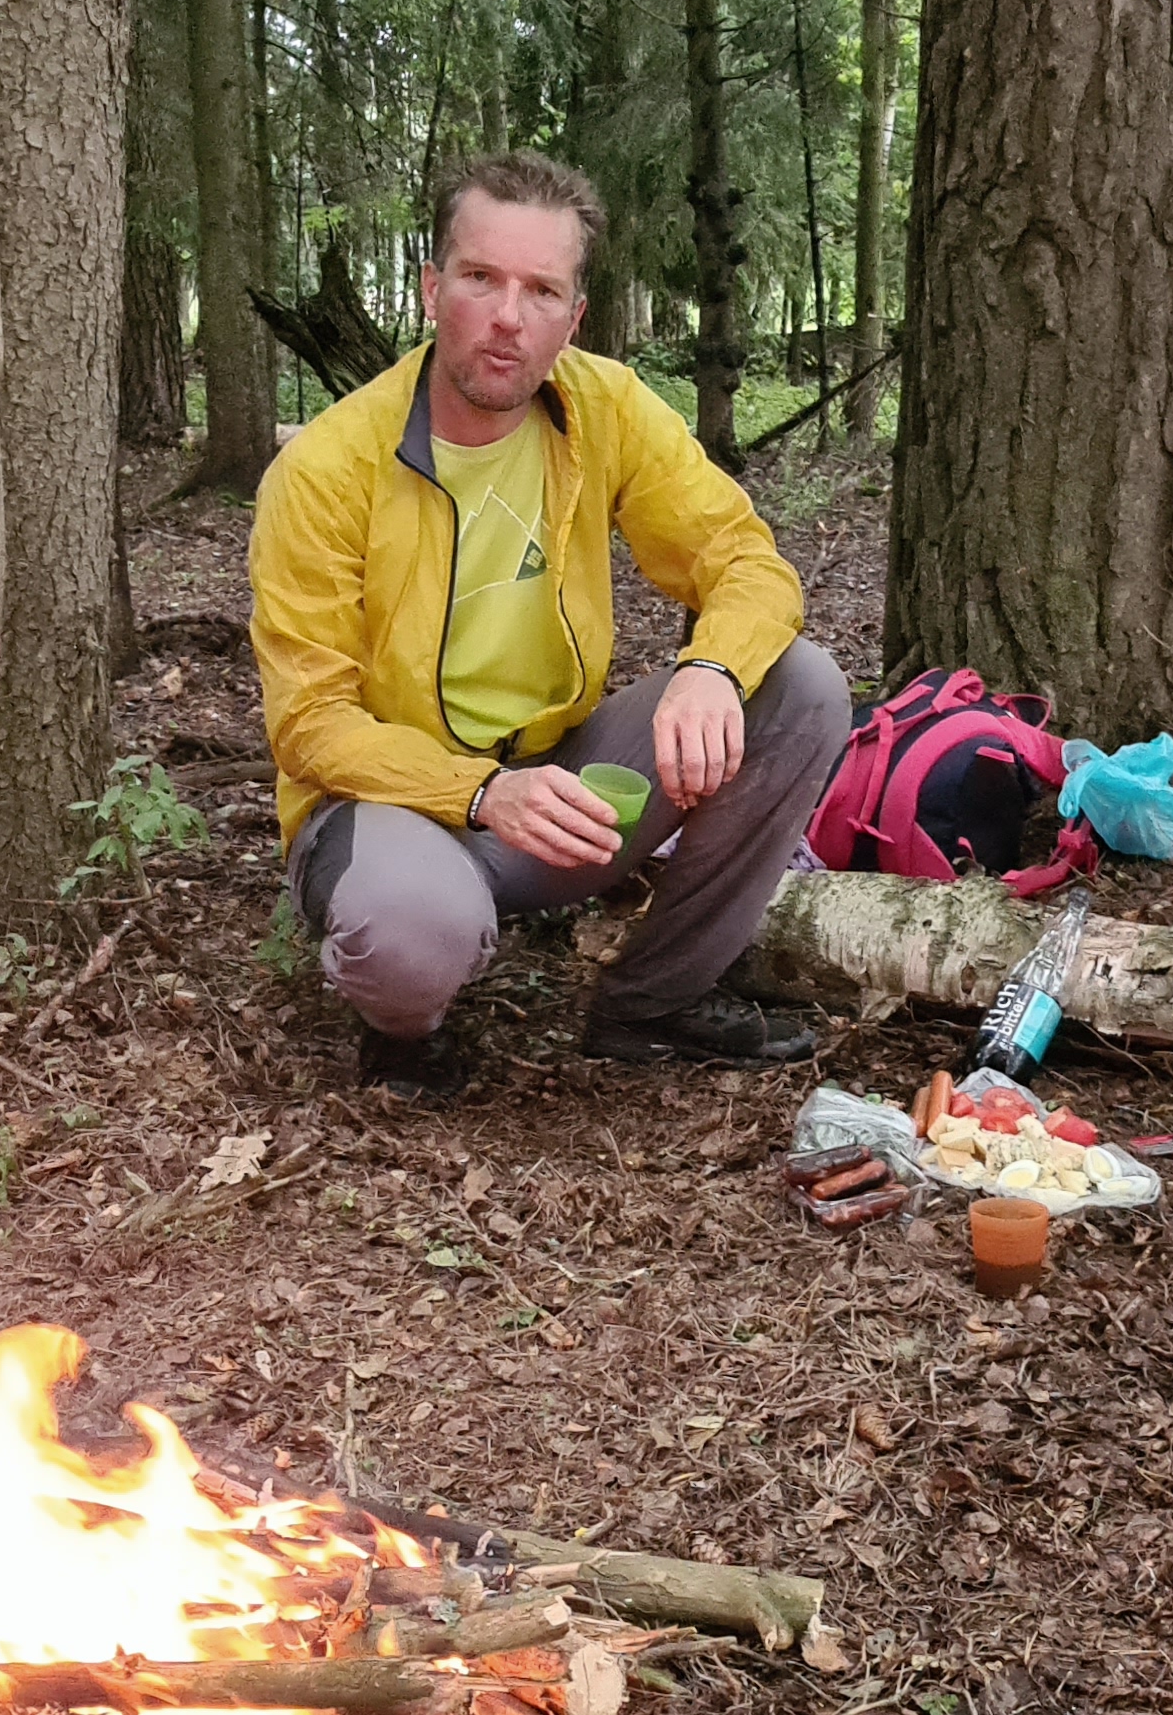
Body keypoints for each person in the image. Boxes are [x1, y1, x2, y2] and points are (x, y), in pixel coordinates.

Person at [251, 149, 849, 1097]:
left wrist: (712, 670)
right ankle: (408, 1022)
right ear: (431, 289)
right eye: (480, 278)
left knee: (799, 685)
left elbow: (743, 558)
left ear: (573, 319)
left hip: (559, 791)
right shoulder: (328, 470)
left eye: (541, 291)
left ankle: (654, 1001)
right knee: (410, 936)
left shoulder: (604, 409)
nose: (507, 316)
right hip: (390, 806)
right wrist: (483, 793)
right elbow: (311, 725)